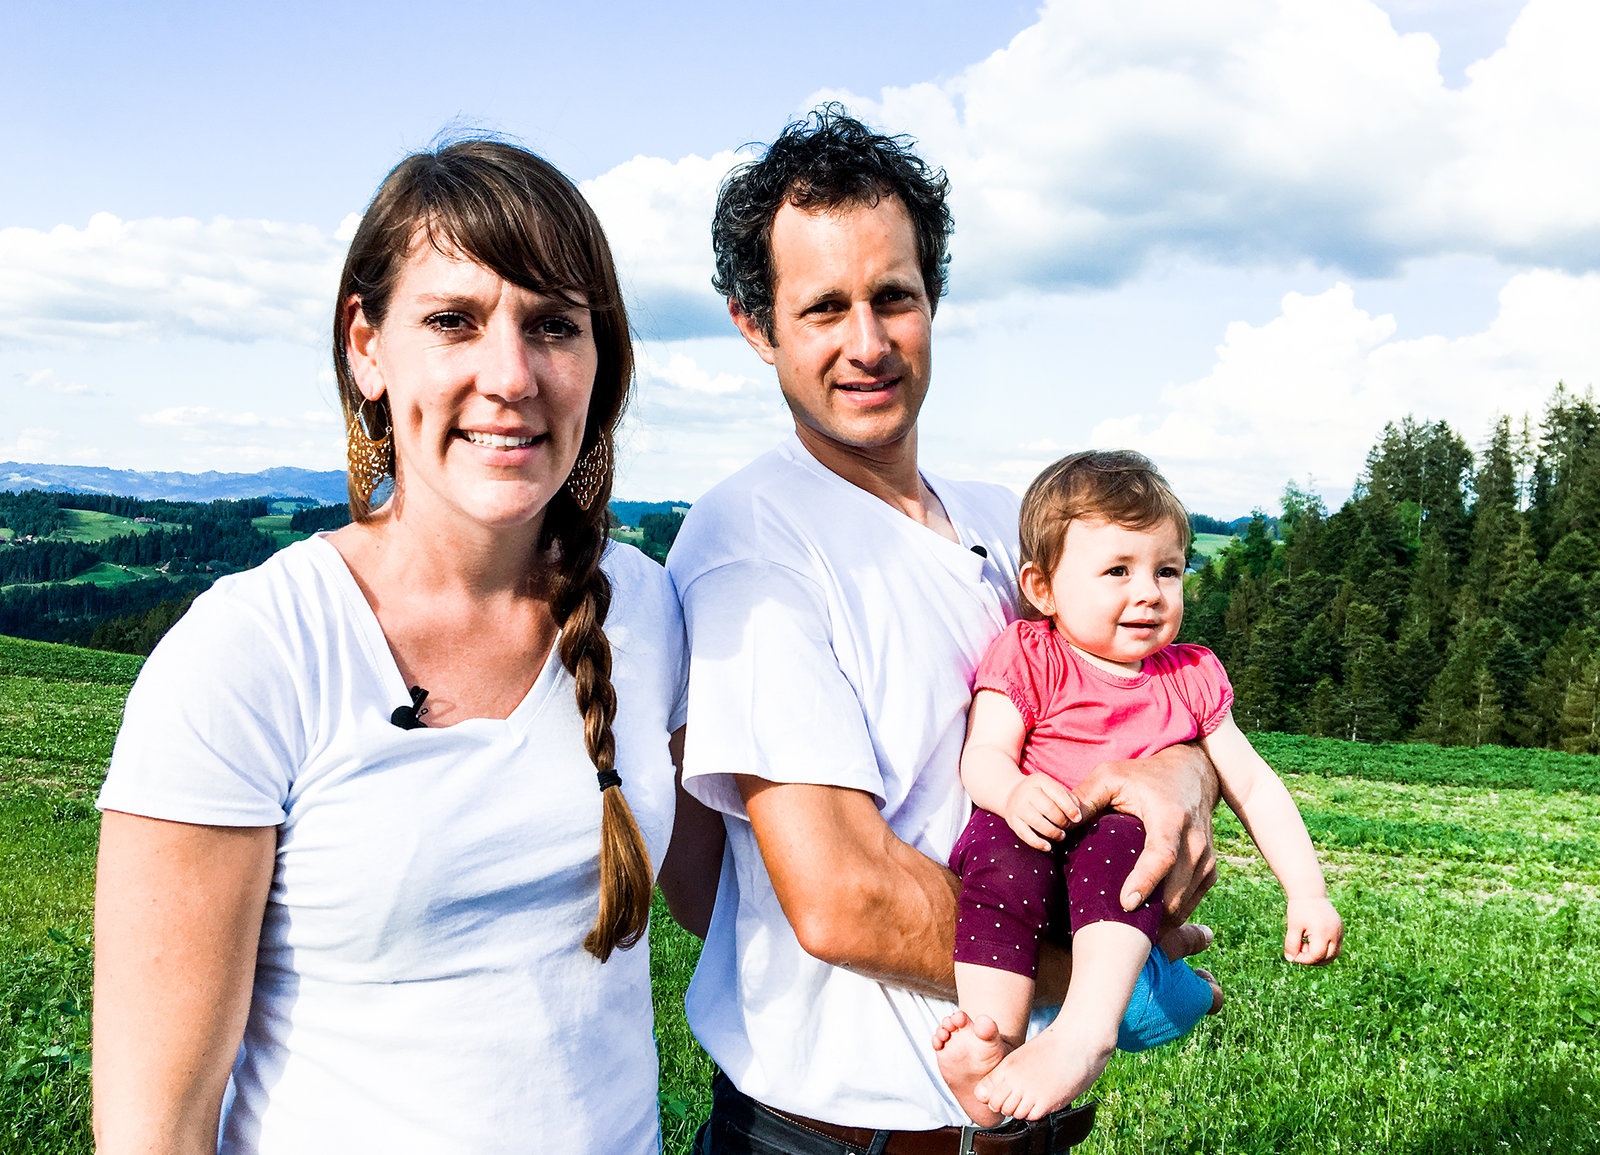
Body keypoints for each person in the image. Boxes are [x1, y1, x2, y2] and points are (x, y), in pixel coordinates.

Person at [91, 140, 721, 1154]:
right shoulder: (250, 653)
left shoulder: (646, 608)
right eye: (452, 321)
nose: (510, 376)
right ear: (367, 348)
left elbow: (729, 892)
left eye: (553, 325)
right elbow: (154, 1126)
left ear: (598, 361)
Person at [667, 106, 1222, 1155]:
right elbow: (842, 899)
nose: (868, 344)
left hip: (1028, 1131)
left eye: (894, 297)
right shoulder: (754, 543)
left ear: (934, 297)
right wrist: (1101, 978)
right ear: (755, 325)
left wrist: (1181, 777)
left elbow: (1142, 696)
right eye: (822, 308)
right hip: (839, 1141)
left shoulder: (1004, 519)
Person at [933, 450, 1344, 1124]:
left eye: (1167, 570)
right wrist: (1011, 794)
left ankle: (1084, 1033)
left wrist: (1308, 893)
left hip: (1120, 896)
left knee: (1125, 836)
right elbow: (983, 754)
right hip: (1034, 860)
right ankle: (993, 1043)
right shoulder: (1029, 653)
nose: (1149, 592)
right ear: (1042, 587)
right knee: (999, 848)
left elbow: (1253, 784)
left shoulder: (1190, 675)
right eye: (1118, 571)